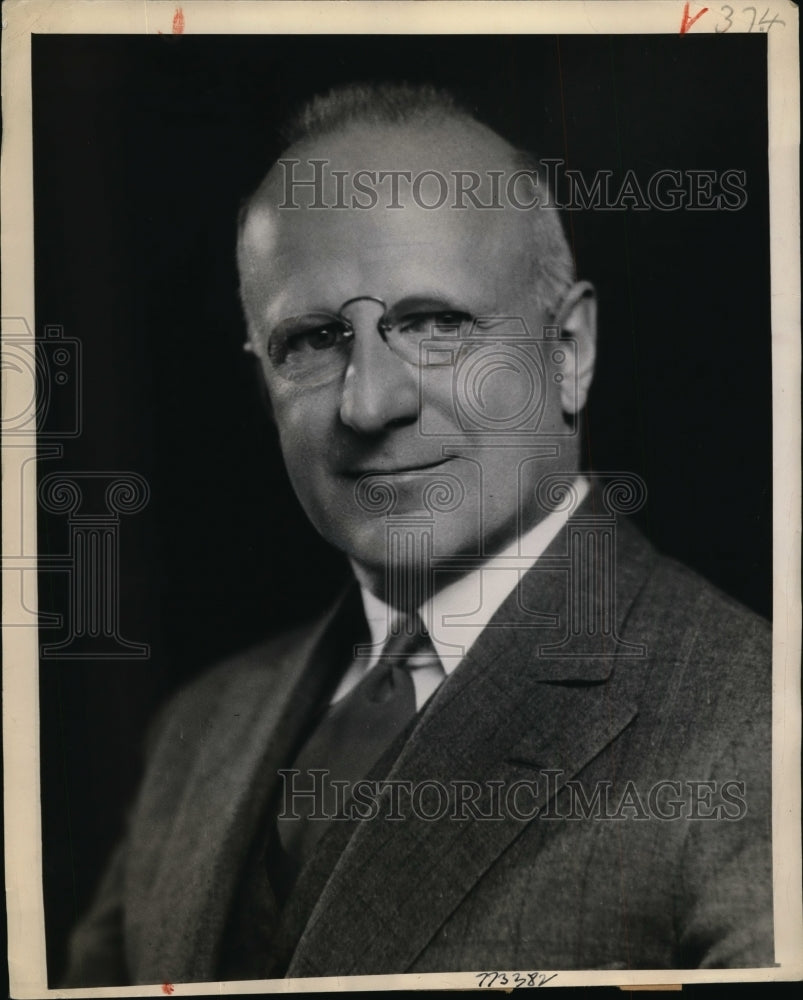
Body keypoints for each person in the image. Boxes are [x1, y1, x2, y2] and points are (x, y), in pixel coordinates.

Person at [63, 82, 773, 985]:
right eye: (313, 340)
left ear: (569, 351)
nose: (369, 402)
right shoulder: (198, 731)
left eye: (434, 324)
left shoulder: (752, 732)